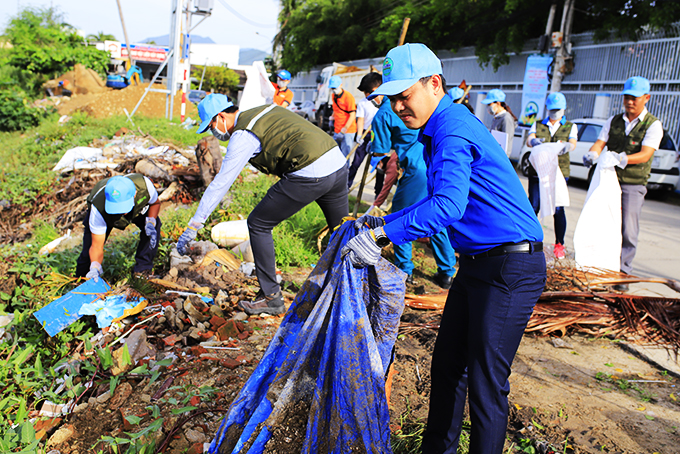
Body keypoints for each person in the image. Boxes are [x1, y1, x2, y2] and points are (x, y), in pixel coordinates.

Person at [341, 43, 546, 454]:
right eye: (392, 98)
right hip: (478, 267)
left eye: (405, 96)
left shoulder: (452, 128)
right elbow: (439, 200)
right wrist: (385, 223)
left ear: (434, 84)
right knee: (448, 369)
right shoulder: (438, 130)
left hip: (509, 268)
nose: (398, 107)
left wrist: (384, 238)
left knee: (487, 385)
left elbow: (448, 207)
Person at [176, 94, 348, 315]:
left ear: (220, 117)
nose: (214, 133)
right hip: (336, 163)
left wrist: (194, 225)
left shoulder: (243, 135)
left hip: (310, 170)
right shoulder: (262, 111)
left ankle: (271, 298)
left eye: (211, 126)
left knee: (258, 223)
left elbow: (221, 183)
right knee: (341, 232)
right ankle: (350, 292)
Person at [369, 91, 457, 288]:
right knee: (436, 216)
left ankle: (404, 270)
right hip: (434, 164)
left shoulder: (384, 113)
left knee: (401, 218)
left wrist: (376, 152)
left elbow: (381, 149)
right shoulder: (427, 104)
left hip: (416, 169)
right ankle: (447, 273)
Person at [583, 76, 663, 290]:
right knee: (603, 225)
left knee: (628, 229)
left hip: (632, 184)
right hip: (609, 181)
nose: (630, 102)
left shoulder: (653, 125)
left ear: (646, 98)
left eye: (635, 98)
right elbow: (600, 143)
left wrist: (622, 158)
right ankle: (600, 267)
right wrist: (592, 153)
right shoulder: (614, 120)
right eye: (627, 97)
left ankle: (623, 272)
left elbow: (646, 154)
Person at [76, 174, 161, 281]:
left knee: (154, 227)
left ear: (135, 194)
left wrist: (150, 222)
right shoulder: (98, 208)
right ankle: (81, 281)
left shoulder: (145, 186)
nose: (121, 213)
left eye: (123, 207)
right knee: (87, 254)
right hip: (107, 213)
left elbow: (155, 203)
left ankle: (142, 271)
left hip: (136, 208)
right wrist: (95, 267)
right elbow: (96, 246)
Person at [525, 92, 577, 259]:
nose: (554, 113)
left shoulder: (570, 126)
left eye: (558, 110)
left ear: (563, 109)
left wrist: (566, 147)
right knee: (533, 206)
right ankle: (530, 241)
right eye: (552, 110)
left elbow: (573, 144)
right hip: (538, 172)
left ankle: (559, 244)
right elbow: (529, 139)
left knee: (558, 208)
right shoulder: (539, 124)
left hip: (558, 173)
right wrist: (534, 142)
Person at [347, 72, 383, 188]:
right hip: (365, 135)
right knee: (356, 163)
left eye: (366, 92)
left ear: (374, 90)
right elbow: (360, 120)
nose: (365, 95)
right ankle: (347, 185)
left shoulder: (385, 102)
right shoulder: (363, 103)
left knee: (379, 166)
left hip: (378, 136)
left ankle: (377, 193)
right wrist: (359, 135)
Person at [481, 89, 517, 157]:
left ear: (498, 103)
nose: (488, 107)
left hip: (499, 158)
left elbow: (507, 143)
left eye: (489, 104)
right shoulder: (496, 117)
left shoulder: (506, 118)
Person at [329, 75, 357, 157]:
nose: (334, 90)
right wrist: (331, 118)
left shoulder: (348, 97)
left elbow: (352, 115)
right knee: (336, 155)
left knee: (345, 156)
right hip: (337, 129)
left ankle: (345, 170)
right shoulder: (333, 96)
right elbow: (336, 109)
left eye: (335, 88)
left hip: (348, 131)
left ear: (341, 85)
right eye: (332, 88)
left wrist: (344, 129)